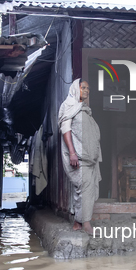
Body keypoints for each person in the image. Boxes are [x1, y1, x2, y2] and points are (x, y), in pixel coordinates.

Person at [58, 79, 102, 235]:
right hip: (77, 157)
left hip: (89, 159)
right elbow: (66, 130)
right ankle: (86, 224)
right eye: (83, 87)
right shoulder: (68, 106)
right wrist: (72, 152)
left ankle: (77, 223)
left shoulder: (85, 110)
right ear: (75, 89)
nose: (86, 90)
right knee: (85, 188)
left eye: (88, 88)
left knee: (84, 190)